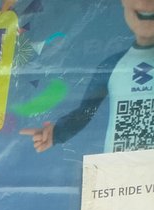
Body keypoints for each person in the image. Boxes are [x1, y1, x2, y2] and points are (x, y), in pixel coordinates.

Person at [22, 0, 154, 155]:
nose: (145, 3)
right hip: (119, 165)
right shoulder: (111, 65)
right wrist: (57, 133)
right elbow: (85, 111)